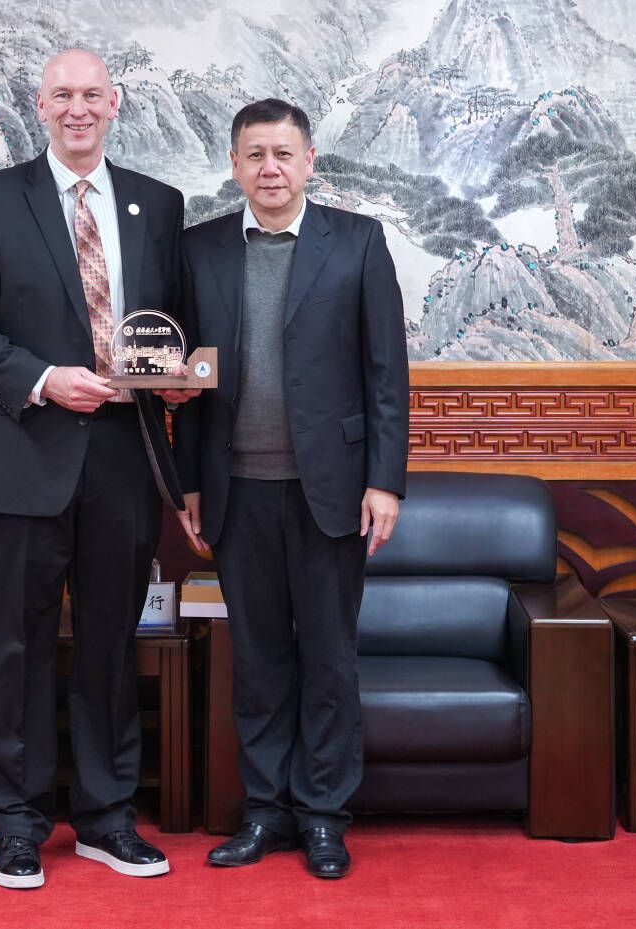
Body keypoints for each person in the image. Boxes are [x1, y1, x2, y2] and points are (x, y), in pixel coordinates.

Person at [0, 49, 188, 889]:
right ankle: (17, 822)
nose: (78, 109)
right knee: (14, 646)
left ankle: (108, 818)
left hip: (125, 458)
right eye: (62, 96)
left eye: (92, 95)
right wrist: (43, 378)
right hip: (23, 454)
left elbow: (172, 327)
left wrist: (177, 378)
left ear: (115, 104)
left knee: (112, 642)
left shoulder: (159, 203)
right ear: (39, 106)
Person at [171, 98, 410, 878]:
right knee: (259, 661)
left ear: (309, 161)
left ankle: (324, 816)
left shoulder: (358, 241)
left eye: (283, 154)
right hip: (236, 488)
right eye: (255, 155)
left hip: (330, 489)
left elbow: (386, 373)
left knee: (329, 658)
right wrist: (189, 481)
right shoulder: (200, 249)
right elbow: (189, 380)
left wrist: (384, 481)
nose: (269, 168)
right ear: (234, 166)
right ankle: (266, 811)